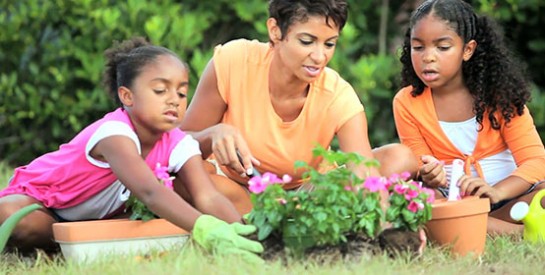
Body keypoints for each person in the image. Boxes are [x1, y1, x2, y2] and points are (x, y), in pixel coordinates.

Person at [0, 37, 263, 260]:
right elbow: (149, 191)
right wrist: (203, 227)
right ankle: (60, 244)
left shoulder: (179, 142)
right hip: (42, 202)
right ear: (127, 96)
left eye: (182, 93)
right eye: (160, 90)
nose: (174, 99)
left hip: (89, 219)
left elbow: (207, 196)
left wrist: (241, 234)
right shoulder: (114, 133)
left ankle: (72, 243)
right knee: (12, 216)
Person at [180, 0, 418, 214]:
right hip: (235, 188)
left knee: (399, 157)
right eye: (307, 41)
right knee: (184, 176)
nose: (319, 56)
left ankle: (286, 217)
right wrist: (214, 134)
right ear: (275, 31)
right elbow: (177, 147)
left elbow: (363, 172)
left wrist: (387, 229)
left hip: (307, 193)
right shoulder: (234, 61)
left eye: (329, 44)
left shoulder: (337, 94)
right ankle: (268, 218)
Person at [393, 0, 545, 235]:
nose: (428, 57)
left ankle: (476, 226)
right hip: (451, 200)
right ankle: (518, 232)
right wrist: (430, 174)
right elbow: (418, 162)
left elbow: (536, 161)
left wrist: (497, 192)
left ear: (468, 50)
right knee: (415, 197)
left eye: (442, 47)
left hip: (511, 197)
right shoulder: (406, 102)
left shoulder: (499, 94)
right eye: (418, 47)